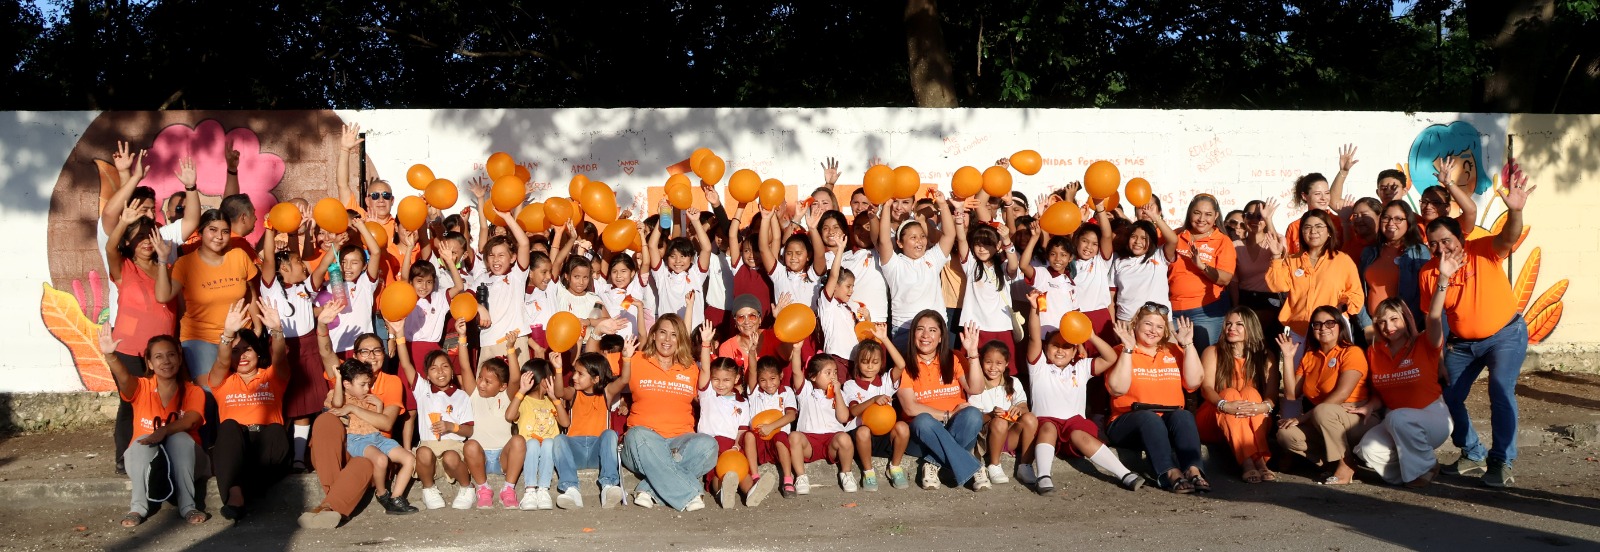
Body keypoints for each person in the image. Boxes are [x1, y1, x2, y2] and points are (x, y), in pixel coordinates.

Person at [1420, 167, 1535, 487]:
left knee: (1500, 388)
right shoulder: (1429, 274)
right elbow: (1434, 318)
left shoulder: (1481, 249)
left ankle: (1502, 460)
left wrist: (1515, 212)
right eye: (1433, 243)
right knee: (1447, 392)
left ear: (1460, 237)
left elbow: (1509, 237)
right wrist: (1439, 358)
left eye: (1446, 240)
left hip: (1505, 334)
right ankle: (1472, 453)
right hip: (1463, 343)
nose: (1441, 247)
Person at [1020, 292, 1140, 494]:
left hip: (1074, 425)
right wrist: (1034, 309)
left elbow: (1110, 357)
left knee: (1080, 435)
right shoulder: (1038, 367)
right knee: (1048, 427)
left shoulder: (1081, 367)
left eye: (1067, 347)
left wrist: (1090, 335)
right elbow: (1033, 336)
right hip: (1045, 427)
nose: (1060, 350)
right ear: (1046, 348)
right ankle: (1043, 476)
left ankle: (1124, 474)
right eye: (1055, 345)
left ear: (1075, 351)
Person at [100, 330, 208, 527]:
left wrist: (165, 430)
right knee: (142, 443)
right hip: (146, 462)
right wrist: (110, 356)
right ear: (149, 363)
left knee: (180, 438)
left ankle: (188, 506)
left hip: (188, 462)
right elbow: (124, 379)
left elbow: (192, 420)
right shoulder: (141, 387)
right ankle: (138, 508)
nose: (166, 361)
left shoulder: (193, 391)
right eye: (158, 357)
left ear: (179, 357)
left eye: (171, 355)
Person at [104, 203, 177, 475]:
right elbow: (110, 248)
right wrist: (124, 222)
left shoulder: (167, 267)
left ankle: (158, 455)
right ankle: (124, 457)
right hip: (130, 350)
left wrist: (162, 261)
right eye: (138, 237)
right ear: (128, 242)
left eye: (150, 236)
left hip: (164, 352)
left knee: (163, 402)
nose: (145, 242)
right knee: (131, 402)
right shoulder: (123, 267)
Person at [1103, 304, 1207, 493]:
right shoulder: (1120, 350)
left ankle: (1193, 470)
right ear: (1135, 324)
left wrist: (1188, 345)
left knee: (1183, 416)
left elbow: (1194, 383)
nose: (1153, 331)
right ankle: (1170, 473)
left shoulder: (1173, 351)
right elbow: (1117, 389)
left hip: (1167, 421)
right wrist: (1128, 349)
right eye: (1148, 324)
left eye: (1159, 327)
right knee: (1149, 417)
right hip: (1128, 421)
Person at [206, 300, 293, 521]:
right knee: (228, 427)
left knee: (275, 429)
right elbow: (221, 360)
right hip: (236, 446)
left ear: (258, 352)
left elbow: (280, 358)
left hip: (269, 447)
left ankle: (240, 491)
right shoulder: (221, 381)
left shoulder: (272, 376)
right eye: (236, 351)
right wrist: (227, 333)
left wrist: (277, 331)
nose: (242, 355)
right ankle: (236, 495)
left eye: (248, 349)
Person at [619, 314, 717, 511]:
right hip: (642, 444)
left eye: (674, 335)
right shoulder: (634, 359)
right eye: (662, 333)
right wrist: (595, 332)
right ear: (653, 335)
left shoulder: (690, 368)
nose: (667, 340)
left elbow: (707, 381)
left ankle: (648, 490)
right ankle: (689, 494)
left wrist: (706, 345)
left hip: (679, 444)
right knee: (639, 435)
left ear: (680, 340)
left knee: (708, 446)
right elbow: (594, 366)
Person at [1354, 298, 1451, 487]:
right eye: (1381, 321)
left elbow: (1434, 316)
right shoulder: (1374, 351)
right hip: (1396, 420)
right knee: (1367, 450)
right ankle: (1414, 472)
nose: (1388, 326)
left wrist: (1443, 280)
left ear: (1406, 318)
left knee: (1397, 418)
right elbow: (1379, 393)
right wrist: (1369, 407)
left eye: (1394, 319)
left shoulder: (1425, 342)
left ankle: (1425, 467)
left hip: (1431, 416)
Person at [159, 208, 259, 387]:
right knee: (209, 391)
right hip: (201, 339)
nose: (219, 236)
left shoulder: (239, 256)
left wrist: (257, 328)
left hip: (240, 336)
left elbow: (250, 292)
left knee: (241, 390)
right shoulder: (184, 264)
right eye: (212, 230)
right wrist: (161, 260)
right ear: (200, 233)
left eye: (225, 231)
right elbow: (163, 296)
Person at [1274, 307, 1374, 486]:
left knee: (1323, 411)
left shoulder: (1352, 352)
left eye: (1330, 323)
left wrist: (1304, 417)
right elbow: (1291, 393)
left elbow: (1342, 394)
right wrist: (1288, 358)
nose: (1323, 328)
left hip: (1356, 418)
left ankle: (1346, 464)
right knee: (1286, 434)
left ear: (1339, 326)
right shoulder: (1310, 356)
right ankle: (1331, 461)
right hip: (1323, 419)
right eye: (1317, 324)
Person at [895, 310, 987, 491]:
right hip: (924, 436)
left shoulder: (954, 358)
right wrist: (950, 414)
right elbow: (910, 407)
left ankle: (932, 463)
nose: (925, 335)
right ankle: (974, 465)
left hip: (958, 429)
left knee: (974, 415)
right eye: (920, 329)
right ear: (913, 334)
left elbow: (976, 388)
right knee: (923, 420)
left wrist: (973, 354)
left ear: (940, 337)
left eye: (932, 330)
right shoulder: (904, 365)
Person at [393, 335, 477, 511]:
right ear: (427, 376)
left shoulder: (461, 396)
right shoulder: (423, 391)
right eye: (434, 369)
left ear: (452, 372)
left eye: (445, 367)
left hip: (453, 446)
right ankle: (429, 488)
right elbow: (407, 365)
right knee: (422, 451)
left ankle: (466, 487)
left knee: (450, 457)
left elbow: (469, 430)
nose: (440, 372)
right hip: (429, 447)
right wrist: (400, 336)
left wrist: (450, 426)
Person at [1264, 210, 1363, 357]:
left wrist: (1343, 304)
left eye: (1319, 226)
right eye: (1307, 227)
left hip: (1331, 330)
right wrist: (1276, 256)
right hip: (1299, 330)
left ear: (1329, 231)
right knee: (1298, 376)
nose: (1313, 231)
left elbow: (1356, 294)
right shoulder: (1292, 261)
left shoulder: (1342, 260)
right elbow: (1277, 286)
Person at [1197, 308, 1279, 483]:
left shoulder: (1265, 356)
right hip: (1215, 416)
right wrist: (1224, 404)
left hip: (1252, 417)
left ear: (1251, 327)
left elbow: (1271, 396)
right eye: (1228, 324)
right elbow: (1206, 388)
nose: (1231, 328)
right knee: (1229, 393)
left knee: (1251, 393)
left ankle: (1256, 459)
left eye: (1239, 324)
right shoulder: (1213, 352)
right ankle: (1252, 461)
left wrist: (1261, 407)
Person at [552, 351, 629, 509]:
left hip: (597, 453)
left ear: (596, 379)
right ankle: (571, 490)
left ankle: (608, 487)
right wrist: (558, 370)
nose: (574, 377)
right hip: (576, 452)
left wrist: (626, 358)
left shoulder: (606, 393)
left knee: (609, 434)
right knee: (559, 439)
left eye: (580, 374)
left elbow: (624, 379)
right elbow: (559, 392)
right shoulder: (573, 393)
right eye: (574, 372)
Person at [879, 192, 957, 347]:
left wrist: (942, 204)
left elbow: (949, 235)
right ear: (900, 243)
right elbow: (884, 240)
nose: (919, 242)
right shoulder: (894, 264)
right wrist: (886, 207)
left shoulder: (932, 259)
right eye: (913, 238)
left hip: (936, 328)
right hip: (904, 329)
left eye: (922, 237)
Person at [460, 327, 525, 509]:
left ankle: (508, 489)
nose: (481, 383)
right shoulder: (474, 394)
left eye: (488, 382)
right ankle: (483, 488)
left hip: (503, 457)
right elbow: (465, 367)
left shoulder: (507, 396)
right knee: (470, 445)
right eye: (480, 378)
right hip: (480, 456)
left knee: (518, 440)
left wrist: (510, 348)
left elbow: (514, 379)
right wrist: (462, 337)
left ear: (502, 386)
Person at [963, 333, 1035, 487]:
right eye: (988, 362)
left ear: (1006, 363)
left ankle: (1025, 465)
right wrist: (991, 415)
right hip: (987, 439)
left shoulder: (1013, 382)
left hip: (1009, 437)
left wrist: (1018, 409)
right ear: (981, 361)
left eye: (998, 363)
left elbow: (1024, 406)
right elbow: (974, 419)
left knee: (1030, 418)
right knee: (1000, 422)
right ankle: (994, 465)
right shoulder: (976, 384)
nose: (993, 368)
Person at [842, 329, 911, 491]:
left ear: (881, 363)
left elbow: (901, 365)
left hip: (885, 434)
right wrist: (873, 400)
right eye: (865, 362)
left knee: (903, 427)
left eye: (875, 362)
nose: (870, 367)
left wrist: (884, 339)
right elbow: (853, 411)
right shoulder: (850, 385)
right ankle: (868, 472)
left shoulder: (886, 381)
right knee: (863, 431)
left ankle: (895, 467)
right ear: (858, 362)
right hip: (862, 437)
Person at [1167, 194, 1235, 347]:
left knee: (1204, 359)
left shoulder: (1223, 241)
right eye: (1197, 213)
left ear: (1216, 216)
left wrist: (1203, 267)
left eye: (1208, 214)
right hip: (1173, 310)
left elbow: (1225, 279)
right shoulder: (1176, 235)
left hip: (1206, 313)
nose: (1201, 218)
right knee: (1174, 361)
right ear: (1189, 212)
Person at [1358, 201, 1431, 343]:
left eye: (1398, 219)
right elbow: (1358, 291)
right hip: (1375, 330)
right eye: (1386, 218)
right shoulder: (1369, 252)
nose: (1391, 223)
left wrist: (1405, 326)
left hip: (1405, 331)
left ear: (1408, 222)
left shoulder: (1418, 252)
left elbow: (1423, 293)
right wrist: (1367, 326)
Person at [789, 353, 859, 495]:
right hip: (808, 441)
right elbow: (796, 371)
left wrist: (837, 393)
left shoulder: (841, 394)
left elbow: (844, 417)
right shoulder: (807, 391)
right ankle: (801, 477)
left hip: (832, 440)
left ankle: (846, 473)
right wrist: (797, 349)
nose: (833, 376)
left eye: (835, 372)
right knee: (794, 436)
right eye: (828, 373)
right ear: (813, 376)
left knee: (845, 438)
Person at [957, 217, 1020, 366]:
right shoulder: (971, 264)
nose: (982, 249)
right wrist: (959, 221)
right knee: (973, 366)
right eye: (978, 245)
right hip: (975, 327)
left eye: (987, 245)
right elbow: (961, 239)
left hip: (1002, 326)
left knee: (1003, 369)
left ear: (998, 245)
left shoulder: (1003, 265)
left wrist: (1006, 240)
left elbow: (1013, 266)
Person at [1283, 145, 1357, 255]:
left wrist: (1343, 172)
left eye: (1327, 193)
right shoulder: (1294, 227)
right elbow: (1289, 259)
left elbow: (1350, 251)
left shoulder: (1340, 221)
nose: (1323, 198)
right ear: (1304, 196)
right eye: (1317, 194)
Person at [747, 355, 801, 497]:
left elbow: (791, 415)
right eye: (763, 380)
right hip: (758, 439)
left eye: (772, 379)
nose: (768, 384)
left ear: (780, 376)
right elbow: (752, 370)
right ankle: (755, 478)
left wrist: (771, 427)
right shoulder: (754, 392)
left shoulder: (787, 391)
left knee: (781, 437)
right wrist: (752, 351)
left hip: (777, 441)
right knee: (748, 436)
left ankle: (788, 480)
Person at [1231, 200, 1283, 338]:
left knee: (1267, 345)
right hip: (1245, 299)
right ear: (1244, 218)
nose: (1255, 220)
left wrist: (1268, 219)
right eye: (1250, 215)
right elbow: (1234, 282)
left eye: (1259, 216)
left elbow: (1280, 251)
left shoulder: (1273, 240)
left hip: (1269, 300)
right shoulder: (1235, 246)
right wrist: (1236, 308)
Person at [1112, 210, 1175, 322]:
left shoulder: (1159, 256)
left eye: (1144, 238)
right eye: (1134, 237)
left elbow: (1173, 240)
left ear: (1151, 241)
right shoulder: (1118, 261)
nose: (1137, 242)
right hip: (1126, 321)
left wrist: (1156, 218)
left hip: (1158, 322)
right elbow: (1111, 297)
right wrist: (1113, 324)